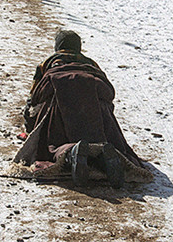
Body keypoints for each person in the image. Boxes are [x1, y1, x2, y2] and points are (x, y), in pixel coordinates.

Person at [10, 30, 151, 187]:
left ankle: (71, 153)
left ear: (57, 47)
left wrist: (31, 128)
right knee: (101, 140)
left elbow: (34, 99)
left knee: (53, 146)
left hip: (59, 113)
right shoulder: (91, 64)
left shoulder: (47, 64)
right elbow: (109, 95)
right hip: (96, 114)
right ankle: (107, 157)